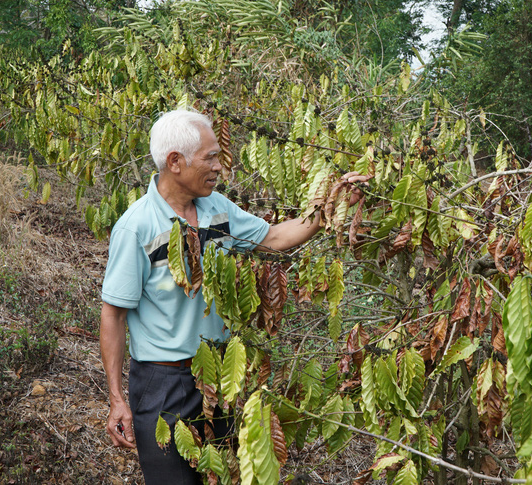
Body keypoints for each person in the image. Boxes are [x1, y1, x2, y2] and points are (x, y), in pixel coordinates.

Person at [100, 109, 368, 484]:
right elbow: (113, 314)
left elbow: (273, 238)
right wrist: (116, 398)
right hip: (163, 383)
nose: (219, 167)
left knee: (220, 476)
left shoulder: (217, 209)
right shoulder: (137, 227)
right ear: (175, 162)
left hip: (218, 375)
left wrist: (332, 202)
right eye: (210, 157)